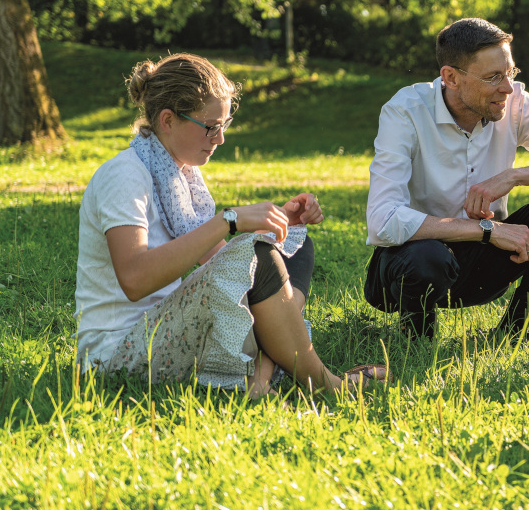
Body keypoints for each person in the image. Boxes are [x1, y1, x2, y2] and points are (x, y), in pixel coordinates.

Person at [74, 53, 385, 398]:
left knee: (292, 247)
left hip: (170, 325)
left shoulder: (182, 177)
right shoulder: (125, 176)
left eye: (224, 124)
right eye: (211, 126)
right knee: (263, 259)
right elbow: (134, 280)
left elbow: (224, 264)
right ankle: (327, 385)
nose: (220, 138)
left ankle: (259, 379)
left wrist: (280, 224)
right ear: (167, 120)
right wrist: (229, 220)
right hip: (121, 353)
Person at [363, 18, 529, 339]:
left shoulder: (515, 103)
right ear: (451, 78)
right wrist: (487, 230)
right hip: (411, 263)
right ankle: (416, 340)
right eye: (494, 77)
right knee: (428, 257)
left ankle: (521, 331)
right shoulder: (405, 111)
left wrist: (513, 177)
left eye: (510, 73)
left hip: (485, 267)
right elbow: (383, 221)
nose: (507, 87)